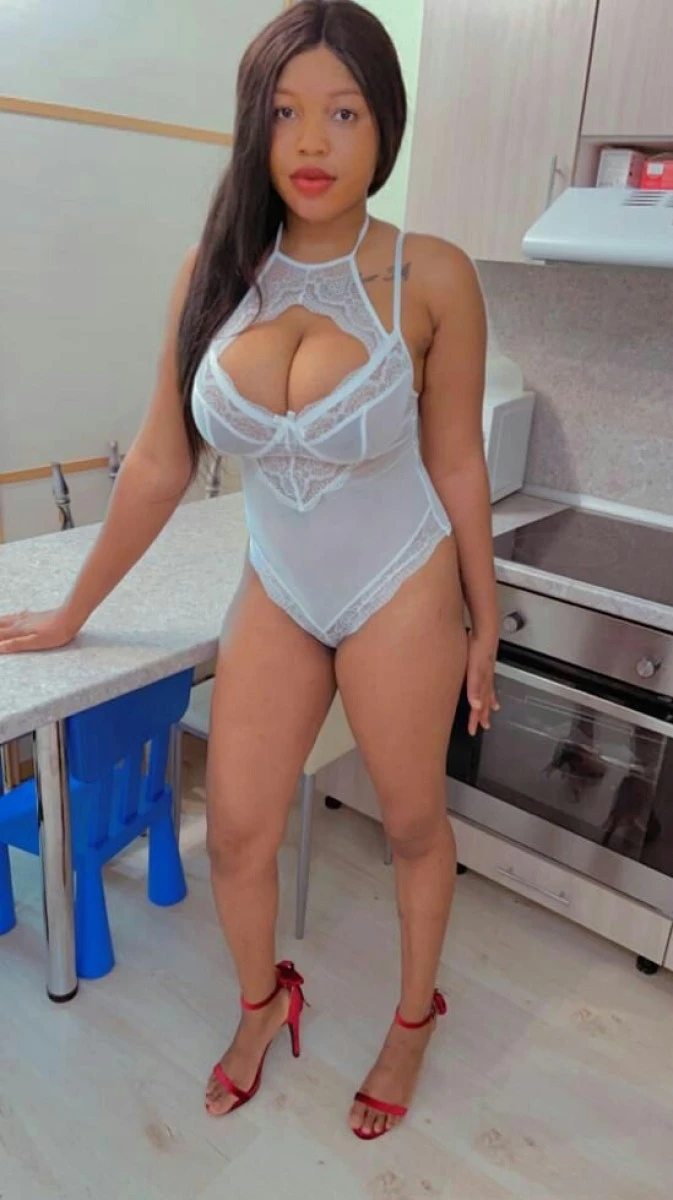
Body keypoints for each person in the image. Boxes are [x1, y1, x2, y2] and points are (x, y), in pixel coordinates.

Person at [0, 0, 499, 1140]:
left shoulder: (431, 276)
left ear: (385, 125)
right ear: (253, 124)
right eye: (284, 113)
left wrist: (484, 618)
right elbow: (159, 461)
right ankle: (264, 1003)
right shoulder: (216, 272)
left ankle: (413, 1016)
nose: (312, 142)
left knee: (411, 823)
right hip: (278, 581)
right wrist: (71, 611)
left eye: (344, 112)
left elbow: (458, 462)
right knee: (232, 833)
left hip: (399, 582)